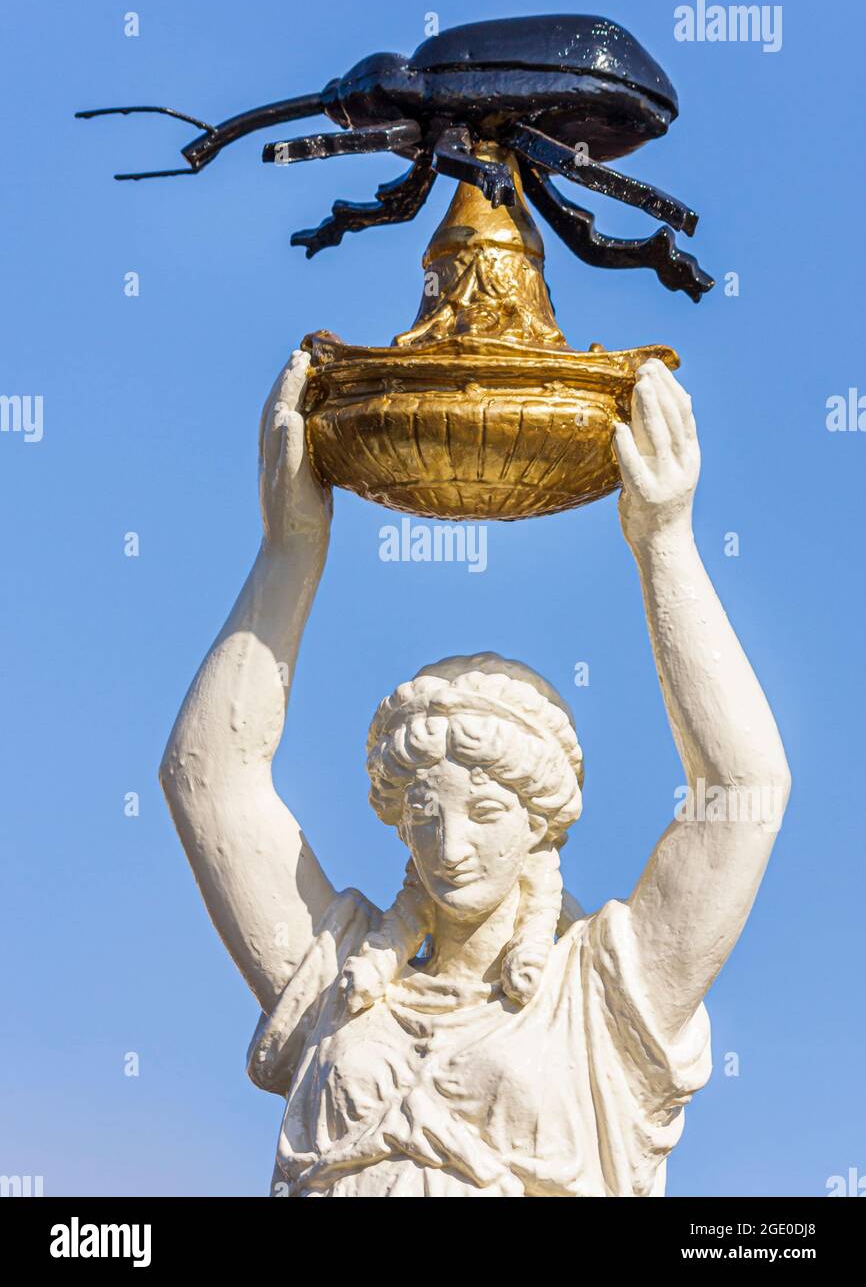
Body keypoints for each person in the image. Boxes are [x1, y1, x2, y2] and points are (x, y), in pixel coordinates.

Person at [160, 352, 790, 1197]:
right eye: (424, 808)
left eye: (486, 810)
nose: (450, 844)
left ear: (542, 819)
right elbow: (209, 779)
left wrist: (665, 544)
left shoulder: (599, 997)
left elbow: (743, 795)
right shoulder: (338, 983)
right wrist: (290, 552)